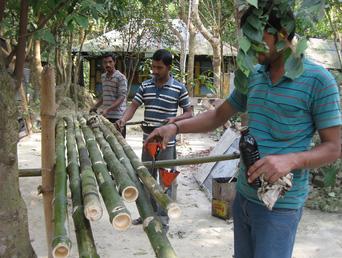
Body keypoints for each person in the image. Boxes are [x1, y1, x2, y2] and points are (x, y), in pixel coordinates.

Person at [144, 8, 341, 258]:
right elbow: (217, 116)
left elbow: (334, 147)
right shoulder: (253, 76)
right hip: (244, 199)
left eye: (255, 39)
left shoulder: (319, 80)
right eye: (245, 39)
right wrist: (174, 126)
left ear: (281, 34)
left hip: (279, 208)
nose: (247, 48)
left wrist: (292, 160)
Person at [116, 49, 193, 231]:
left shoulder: (179, 88)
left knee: (166, 180)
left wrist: (175, 120)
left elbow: (190, 112)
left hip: (167, 143)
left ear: (168, 67)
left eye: (159, 67)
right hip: (148, 140)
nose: (155, 71)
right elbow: (133, 106)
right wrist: (122, 120)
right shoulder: (145, 86)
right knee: (146, 178)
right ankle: (147, 214)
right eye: (153, 67)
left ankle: (163, 219)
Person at [91, 53, 128, 137]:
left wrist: (107, 109)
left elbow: (122, 97)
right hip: (106, 117)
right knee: (108, 143)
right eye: (105, 62)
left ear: (114, 62)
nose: (108, 64)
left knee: (119, 145)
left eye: (110, 62)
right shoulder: (103, 77)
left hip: (118, 118)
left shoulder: (121, 77)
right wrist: (95, 107)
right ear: (102, 64)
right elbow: (105, 95)